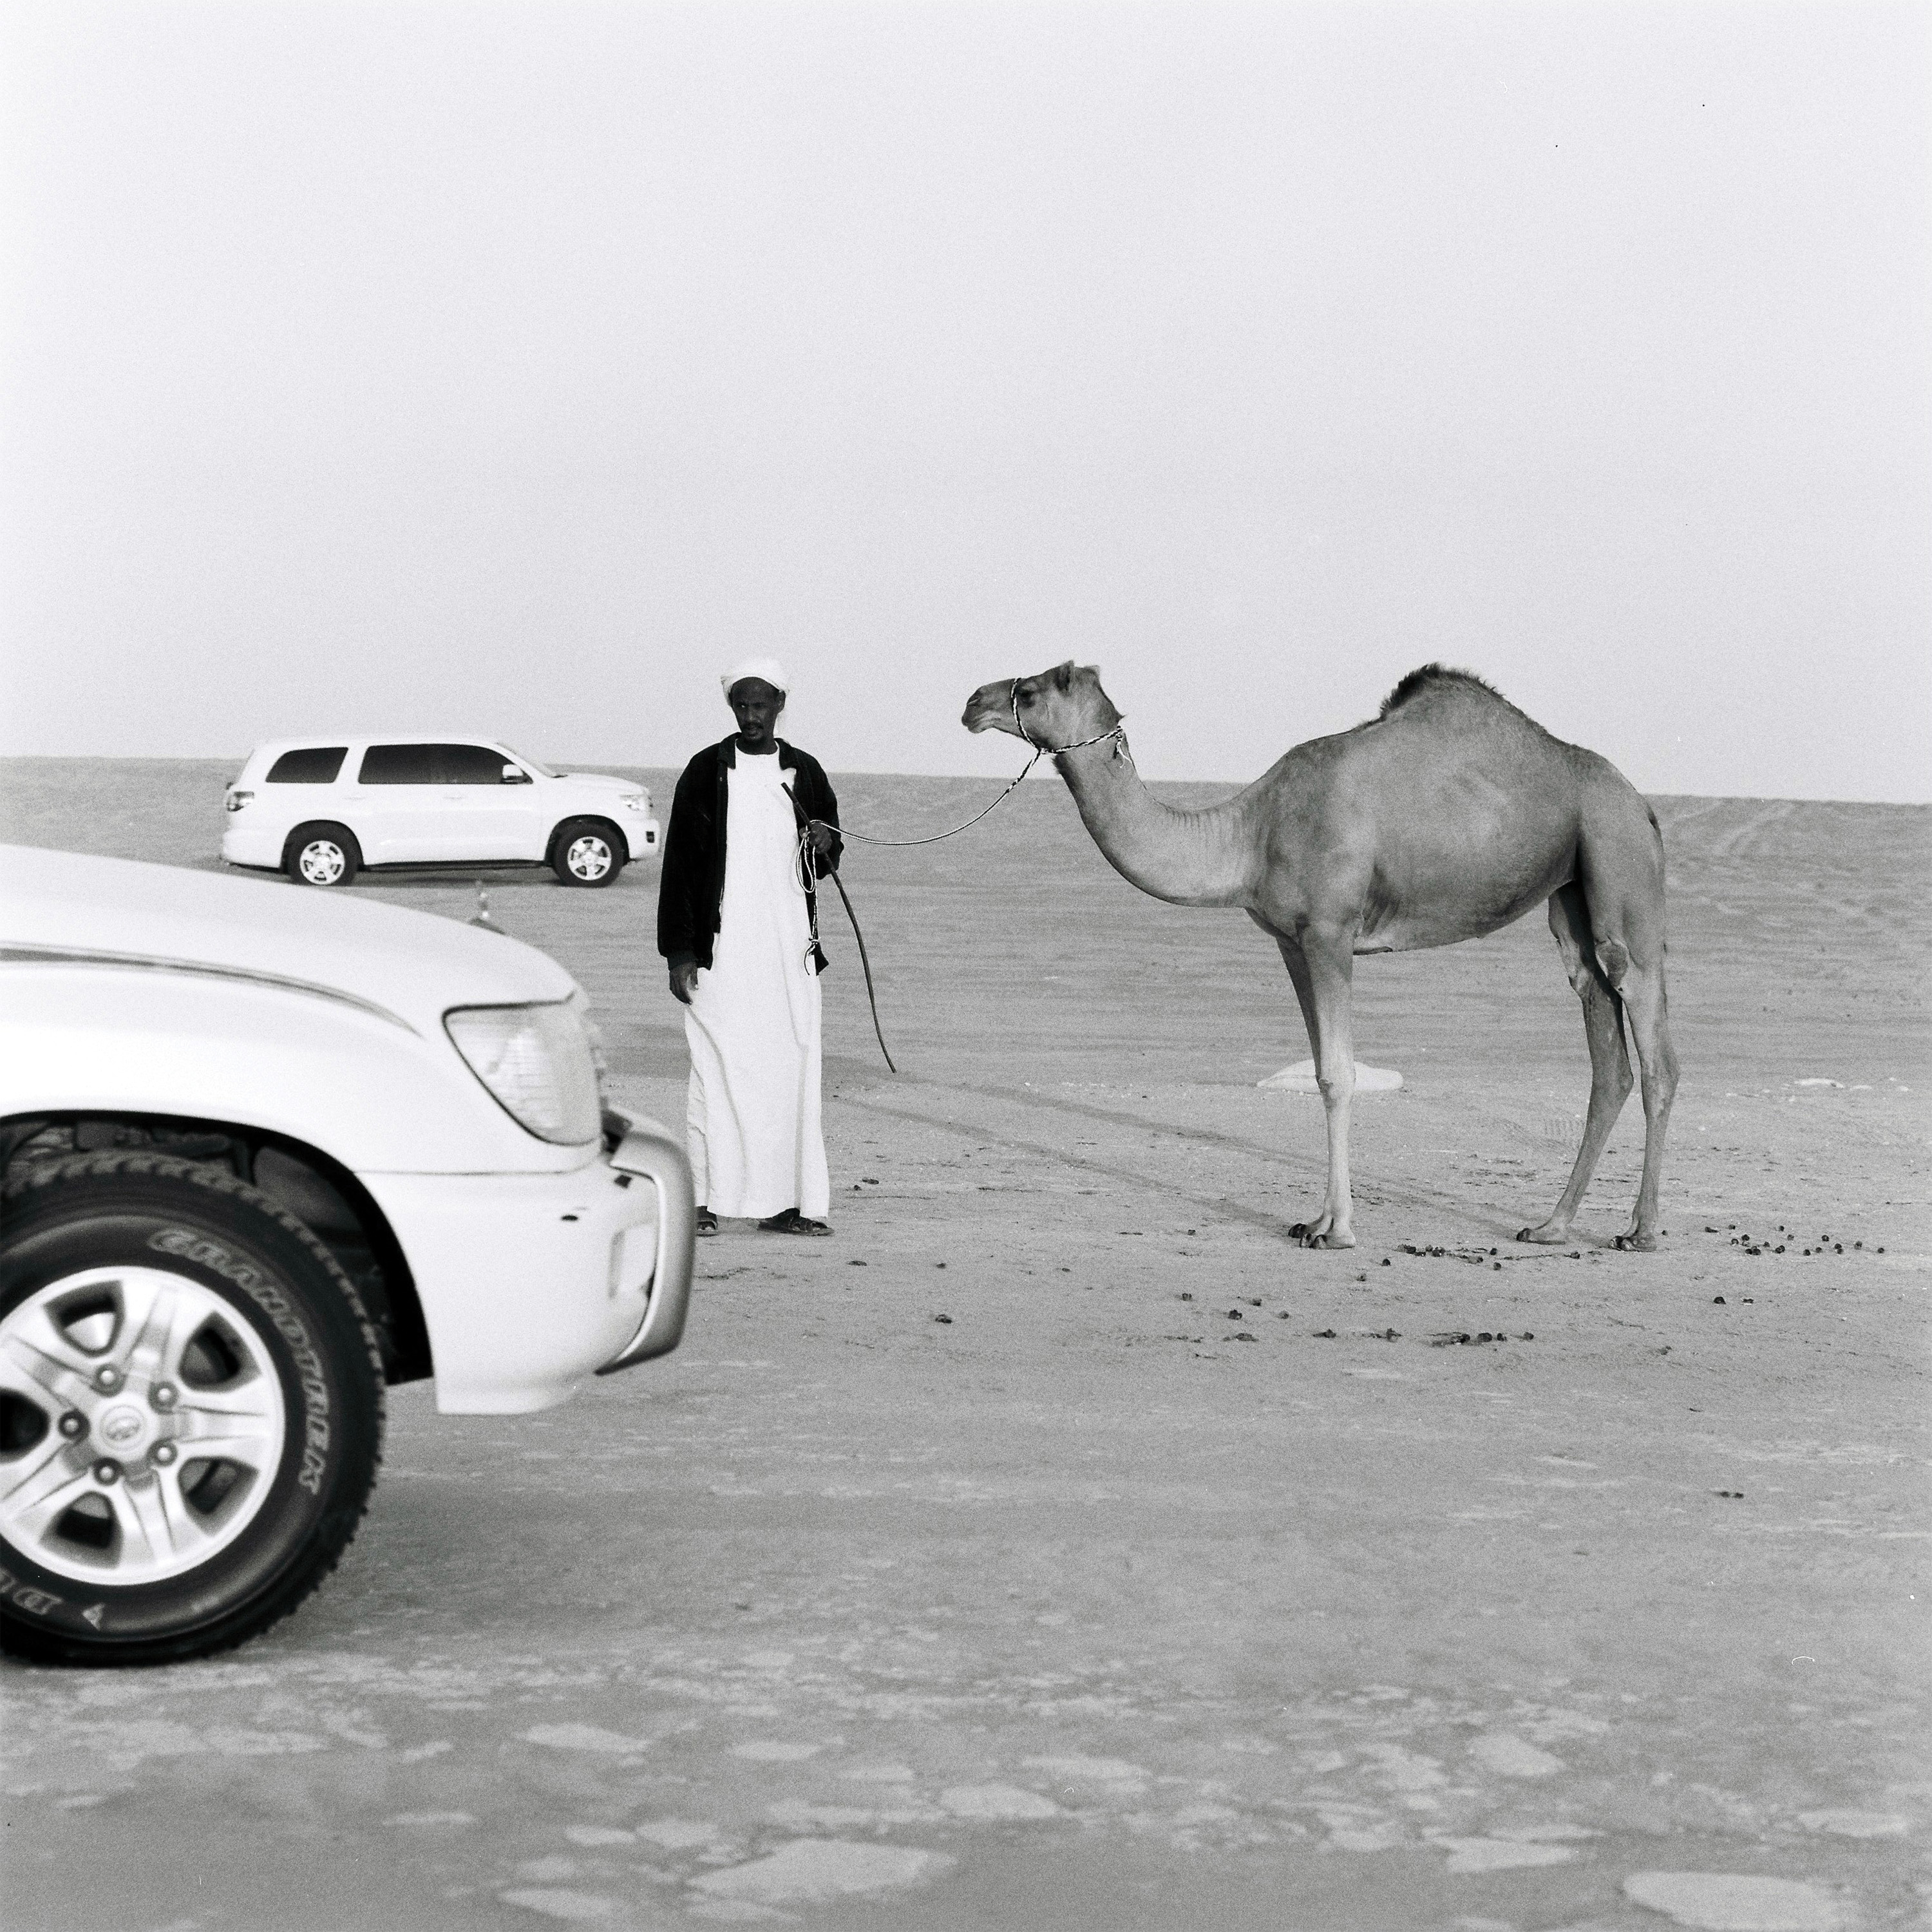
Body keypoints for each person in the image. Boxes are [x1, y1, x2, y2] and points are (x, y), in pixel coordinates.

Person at [658, 658, 841, 1236]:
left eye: (761, 705)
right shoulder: (706, 770)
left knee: (793, 1069)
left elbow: (826, 856)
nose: (751, 715)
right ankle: (704, 1201)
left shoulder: (804, 772)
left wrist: (824, 840)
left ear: (779, 706)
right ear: (732, 708)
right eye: (742, 705)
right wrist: (679, 952)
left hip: (790, 952)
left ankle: (790, 1204)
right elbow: (681, 867)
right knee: (714, 1066)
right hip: (723, 948)